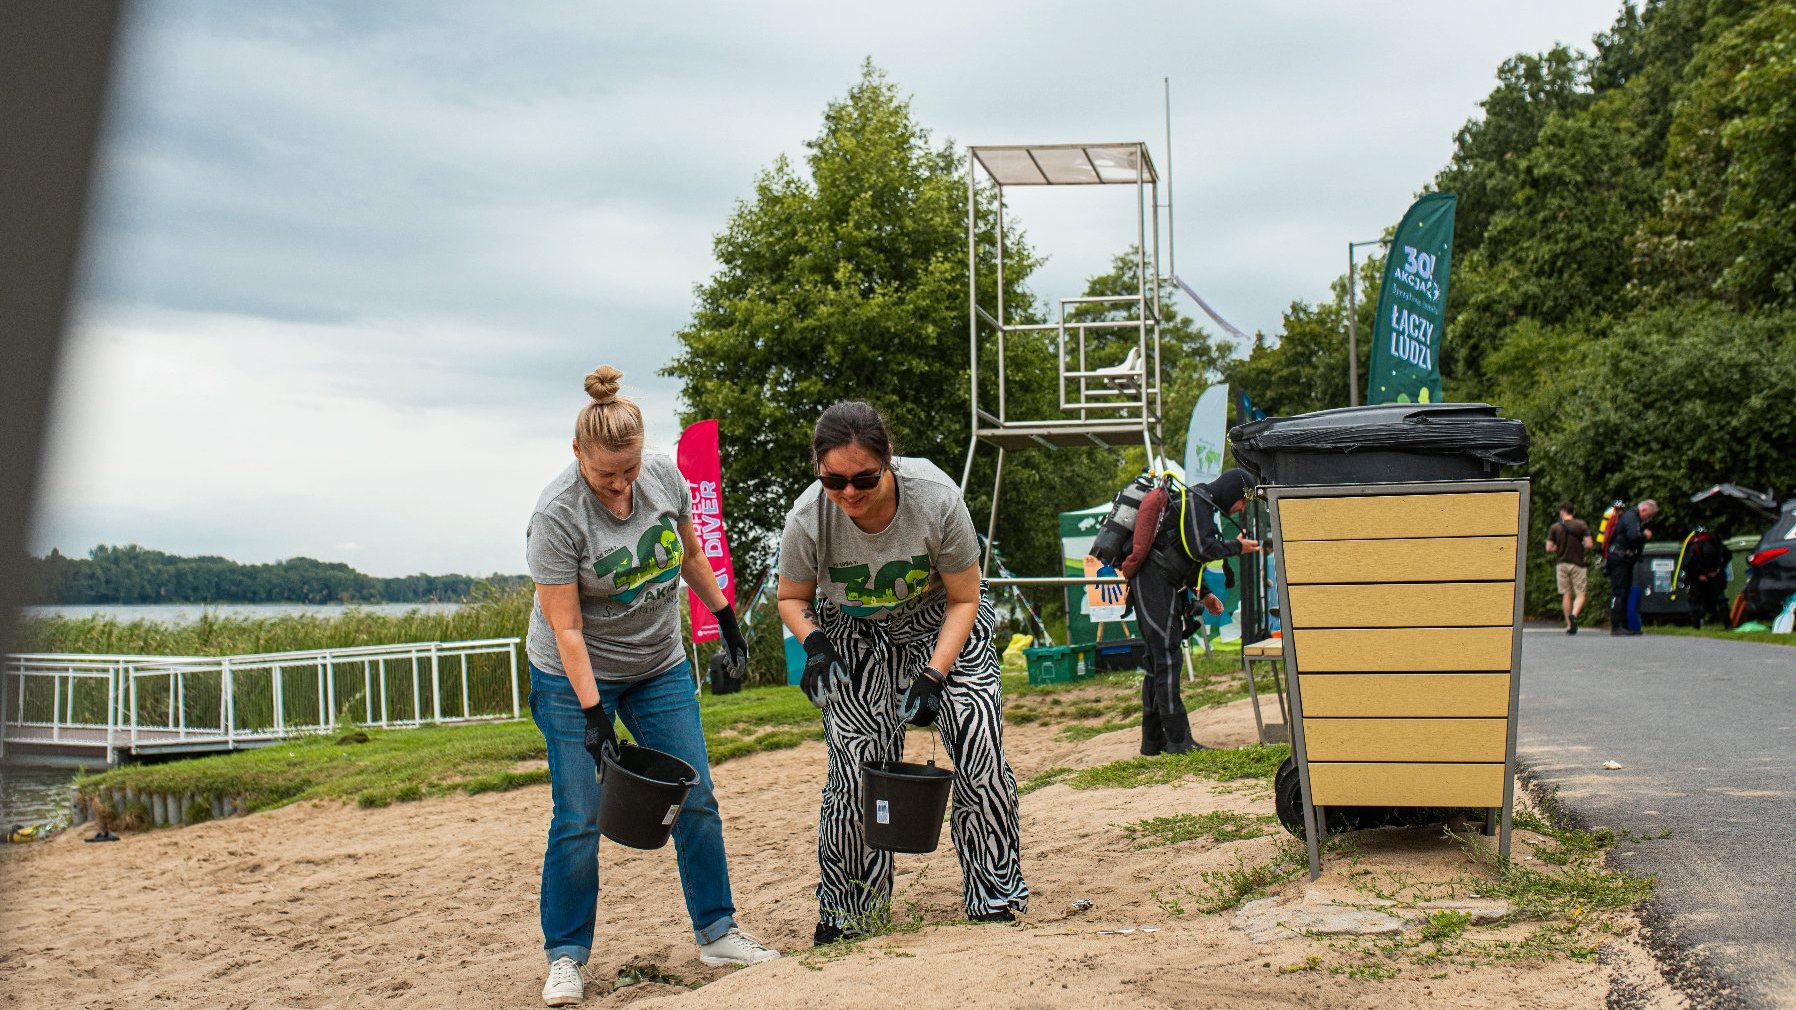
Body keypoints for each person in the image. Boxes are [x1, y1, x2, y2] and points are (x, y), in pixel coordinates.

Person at [526, 365, 777, 1007]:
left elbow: (690, 555)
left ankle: (718, 931)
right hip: (573, 677)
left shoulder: (663, 476)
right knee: (580, 813)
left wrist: (726, 620)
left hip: (658, 665)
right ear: (577, 453)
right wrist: (593, 714)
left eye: (629, 471)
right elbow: (568, 630)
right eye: (607, 474)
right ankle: (566, 957)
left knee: (696, 794)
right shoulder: (556, 516)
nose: (620, 487)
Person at [776, 401, 1028, 944]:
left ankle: (994, 894)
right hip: (854, 632)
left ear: (888, 460)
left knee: (977, 741)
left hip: (942, 622)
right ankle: (851, 912)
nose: (849, 493)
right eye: (834, 480)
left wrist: (935, 676)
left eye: (864, 478)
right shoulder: (807, 518)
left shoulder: (936, 498)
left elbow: (965, 597)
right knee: (854, 773)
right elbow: (792, 598)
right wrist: (816, 646)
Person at [1120, 468, 1260, 755]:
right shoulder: (1196, 502)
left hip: (1159, 585)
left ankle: (1153, 741)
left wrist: (1205, 593)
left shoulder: (1201, 505)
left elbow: (1184, 557)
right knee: (1167, 659)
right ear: (1234, 491)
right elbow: (1200, 549)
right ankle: (1178, 740)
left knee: (1158, 662)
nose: (1242, 507)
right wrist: (1236, 547)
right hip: (1151, 584)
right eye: (1243, 501)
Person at [1605, 498, 1658, 636]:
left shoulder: (1635, 519)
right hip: (1618, 558)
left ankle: (1625, 625)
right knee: (1619, 591)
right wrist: (1645, 535)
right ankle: (1616, 626)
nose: (1649, 518)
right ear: (1644, 510)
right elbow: (1633, 536)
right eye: (1649, 515)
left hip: (1626, 559)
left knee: (1626, 591)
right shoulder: (1631, 517)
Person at [1545, 501, 1594, 634]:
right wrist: (1580, 544)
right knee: (1580, 593)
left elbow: (1549, 548)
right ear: (1573, 511)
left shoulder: (1555, 527)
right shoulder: (1581, 525)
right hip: (1578, 563)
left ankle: (1568, 624)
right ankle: (1574, 615)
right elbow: (1589, 544)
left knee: (1566, 594)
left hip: (1561, 564)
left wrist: (1558, 547)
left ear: (1562, 511)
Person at [1679, 526, 1732, 630]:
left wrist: (1698, 575)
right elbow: (1727, 555)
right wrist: (1717, 570)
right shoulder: (1715, 541)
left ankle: (1696, 627)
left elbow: (1686, 564)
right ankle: (1728, 625)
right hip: (1714, 575)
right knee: (1721, 600)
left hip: (1698, 577)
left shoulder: (1692, 544)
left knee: (1695, 602)